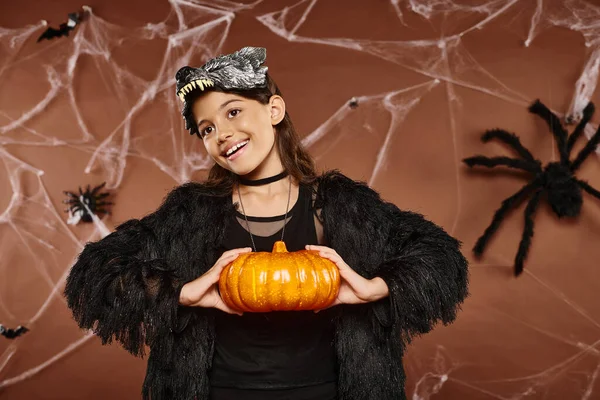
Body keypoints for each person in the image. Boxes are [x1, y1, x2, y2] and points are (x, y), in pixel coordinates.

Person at [64, 46, 469, 400]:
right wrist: (181, 294)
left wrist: (371, 289)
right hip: (221, 392)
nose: (222, 134)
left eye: (233, 112)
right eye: (208, 129)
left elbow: (438, 255)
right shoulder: (191, 213)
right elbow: (94, 273)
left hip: (326, 392)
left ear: (273, 110)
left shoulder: (338, 204)